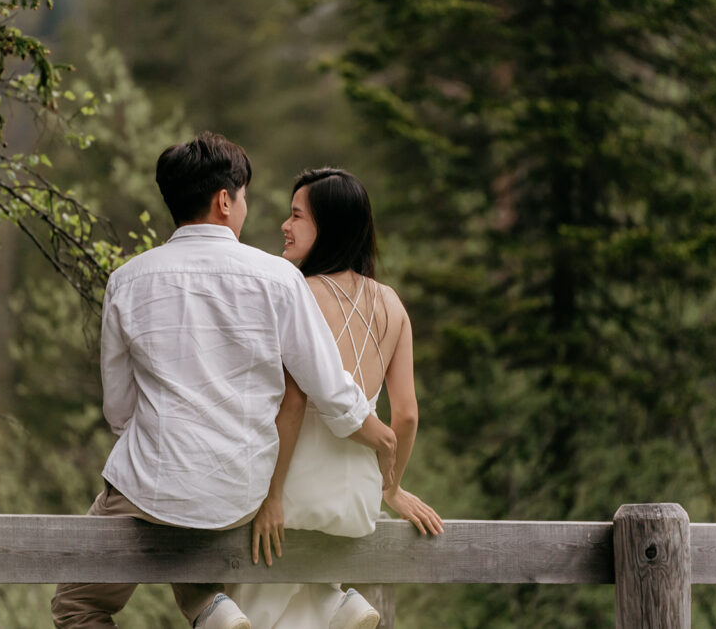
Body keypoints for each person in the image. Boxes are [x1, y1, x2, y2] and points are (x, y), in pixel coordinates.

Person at [50, 135, 399, 629]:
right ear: (224, 200)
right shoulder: (278, 278)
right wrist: (378, 433)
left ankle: (209, 607)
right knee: (195, 513)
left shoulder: (126, 280)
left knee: (78, 605)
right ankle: (228, 606)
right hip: (243, 491)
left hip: (153, 487)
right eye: (244, 195)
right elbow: (328, 387)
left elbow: (119, 411)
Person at [230, 168, 444, 629]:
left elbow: (292, 404)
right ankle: (335, 605)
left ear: (328, 226)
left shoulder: (296, 292)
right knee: (300, 598)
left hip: (292, 490)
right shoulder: (392, 305)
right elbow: (405, 415)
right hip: (356, 501)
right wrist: (393, 487)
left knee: (250, 610)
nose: (285, 226)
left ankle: (334, 605)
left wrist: (271, 496)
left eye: (296, 216)